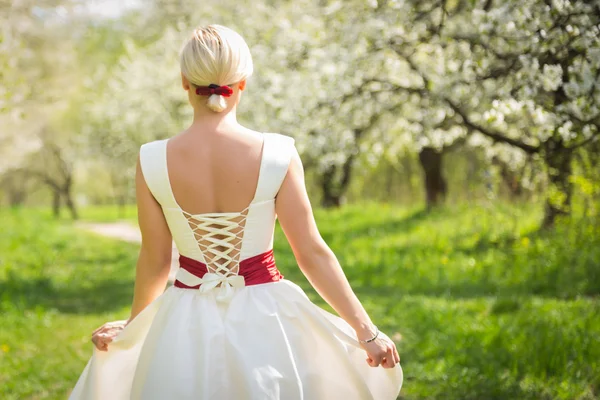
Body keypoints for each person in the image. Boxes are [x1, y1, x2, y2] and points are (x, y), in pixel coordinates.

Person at [69, 24, 403, 400]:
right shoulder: (278, 155)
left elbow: (156, 258)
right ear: (242, 82)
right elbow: (310, 251)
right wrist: (365, 331)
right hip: (268, 316)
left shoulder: (152, 159)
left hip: (183, 321)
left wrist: (133, 327)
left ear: (184, 81)